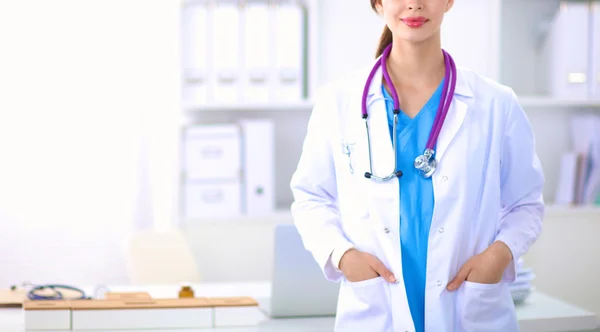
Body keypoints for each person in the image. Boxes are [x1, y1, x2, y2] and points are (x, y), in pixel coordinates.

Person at [289, 0, 545, 331]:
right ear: (379, 2)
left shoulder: (496, 104)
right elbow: (310, 197)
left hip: (468, 307)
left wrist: (498, 256)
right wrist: (342, 255)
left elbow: (526, 204)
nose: (414, 4)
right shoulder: (338, 102)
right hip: (376, 307)